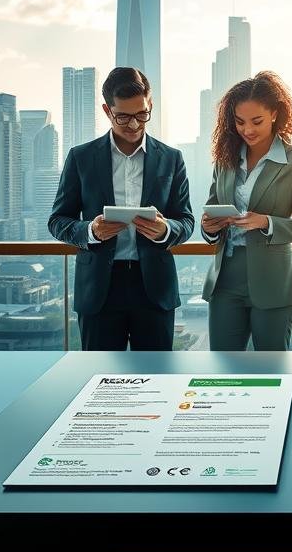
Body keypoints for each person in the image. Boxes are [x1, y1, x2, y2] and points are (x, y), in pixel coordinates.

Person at [48, 67, 194, 351]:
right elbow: (58, 220)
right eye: (123, 116)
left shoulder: (171, 159)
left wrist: (166, 230)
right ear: (107, 110)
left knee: (157, 377)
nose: (134, 124)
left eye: (142, 114)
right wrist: (90, 230)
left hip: (154, 287)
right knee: (99, 380)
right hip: (100, 287)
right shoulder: (81, 157)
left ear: (150, 105)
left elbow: (185, 220)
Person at [200, 71, 292, 351]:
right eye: (239, 122)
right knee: (223, 370)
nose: (248, 130)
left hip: (274, 281)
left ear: (275, 114)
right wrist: (209, 227)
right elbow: (211, 213)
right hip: (225, 279)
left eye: (257, 121)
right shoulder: (225, 159)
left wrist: (265, 221)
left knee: (272, 369)